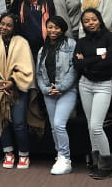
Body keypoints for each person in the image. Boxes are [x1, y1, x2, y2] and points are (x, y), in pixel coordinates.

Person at [0, 13, 36, 169]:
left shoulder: (22, 43)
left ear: (14, 27)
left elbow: (27, 67)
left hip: (18, 87)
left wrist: (12, 82)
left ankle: (24, 154)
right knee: (3, 121)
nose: (3, 27)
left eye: (8, 25)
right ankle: (8, 153)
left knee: (19, 122)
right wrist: (0, 81)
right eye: (2, 24)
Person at [74, 8, 112, 179]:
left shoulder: (111, 38)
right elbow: (77, 65)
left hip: (103, 85)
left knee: (96, 126)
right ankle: (96, 161)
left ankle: (107, 166)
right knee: (90, 125)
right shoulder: (82, 42)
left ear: (99, 20)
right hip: (85, 85)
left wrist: (86, 62)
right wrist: (98, 59)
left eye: (93, 19)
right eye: (86, 21)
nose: (90, 23)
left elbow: (109, 63)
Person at [35, 15, 77, 175]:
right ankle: (59, 155)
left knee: (59, 124)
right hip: (48, 92)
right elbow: (38, 72)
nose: (53, 30)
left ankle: (66, 159)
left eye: (56, 27)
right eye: (50, 27)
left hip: (66, 91)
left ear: (62, 29)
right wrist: (46, 89)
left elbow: (74, 68)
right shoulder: (42, 49)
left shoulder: (71, 44)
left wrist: (61, 86)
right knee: (53, 127)